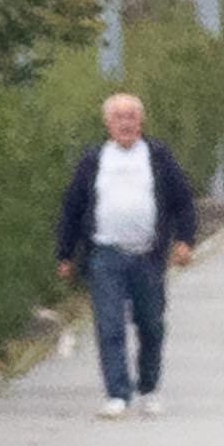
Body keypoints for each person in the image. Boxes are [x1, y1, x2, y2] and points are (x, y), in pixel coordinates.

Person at [53, 90, 201, 419]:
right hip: (106, 255)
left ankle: (149, 388)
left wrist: (185, 241)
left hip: (148, 256)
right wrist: (65, 254)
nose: (126, 124)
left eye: (132, 117)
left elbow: (183, 201)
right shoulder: (94, 161)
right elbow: (73, 209)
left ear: (141, 122)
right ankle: (117, 393)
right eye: (119, 118)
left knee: (150, 325)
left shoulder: (157, 156)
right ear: (107, 123)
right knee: (109, 326)